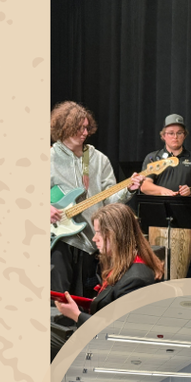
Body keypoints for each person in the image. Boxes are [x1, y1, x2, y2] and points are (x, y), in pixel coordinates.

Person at [50, 101, 138, 296]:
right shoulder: (49, 158)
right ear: (64, 127)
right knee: (57, 299)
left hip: (91, 240)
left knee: (84, 300)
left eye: (86, 128)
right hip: (58, 242)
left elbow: (109, 201)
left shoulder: (99, 159)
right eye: (79, 128)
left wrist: (128, 190)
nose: (84, 132)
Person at [53, 204, 164, 339]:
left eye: (98, 232)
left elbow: (120, 331)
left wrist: (76, 315)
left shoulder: (136, 279)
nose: (94, 239)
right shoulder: (126, 266)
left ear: (115, 234)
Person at [135, 114, 191, 278]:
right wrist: (164, 192)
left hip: (184, 218)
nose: (175, 137)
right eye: (171, 133)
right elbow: (145, 185)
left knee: (184, 262)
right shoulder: (153, 158)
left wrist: (190, 191)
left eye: (179, 133)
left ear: (185, 135)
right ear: (163, 136)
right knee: (158, 259)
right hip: (158, 217)